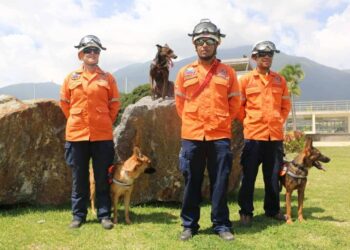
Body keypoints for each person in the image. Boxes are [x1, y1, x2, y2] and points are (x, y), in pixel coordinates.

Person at [175, 19, 240, 241]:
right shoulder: (184, 72)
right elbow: (180, 105)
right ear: (195, 45)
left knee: (220, 180)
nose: (205, 45)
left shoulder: (228, 73)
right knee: (192, 179)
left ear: (216, 44)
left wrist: (220, 121)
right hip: (192, 135)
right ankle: (189, 225)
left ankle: (221, 224)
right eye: (200, 41)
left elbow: (234, 104)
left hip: (219, 135)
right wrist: (194, 122)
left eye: (209, 41)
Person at [60, 35, 120, 229]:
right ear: (81, 54)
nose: (92, 54)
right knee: (79, 177)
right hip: (77, 134)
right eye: (88, 50)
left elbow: (115, 104)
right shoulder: (71, 78)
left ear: (99, 54)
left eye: (95, 51)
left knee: (102, 176)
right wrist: (78, 120)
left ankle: (104, 215)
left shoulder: (108, 78)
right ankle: (78, 216)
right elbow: (65, 104)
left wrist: (104, 121)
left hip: (102, 135)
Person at [237, 41, 291, 226]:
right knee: (249, 176)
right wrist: (248, 120)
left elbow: (286, 106)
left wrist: (278, 120)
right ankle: (246, 211)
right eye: (262, 54)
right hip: (253, 136)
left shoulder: (280, 80)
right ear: (255, 57)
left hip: (274, 137)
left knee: (273, 176)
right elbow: (238, 107)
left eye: (270, 54)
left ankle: (272, 210)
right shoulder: (245, 80)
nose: (266, 57)